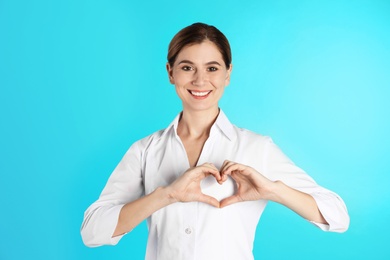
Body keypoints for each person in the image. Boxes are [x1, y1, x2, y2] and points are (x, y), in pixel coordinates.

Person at [81, 22, 349, 260]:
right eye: (187, 67)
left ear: (227, 74)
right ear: (170, 72)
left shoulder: (257, 148)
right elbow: (92, 232)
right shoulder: (144, 151)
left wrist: (273, 190)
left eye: (212, 68)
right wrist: (166, 195)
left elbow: (338, 216)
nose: (200, 80)